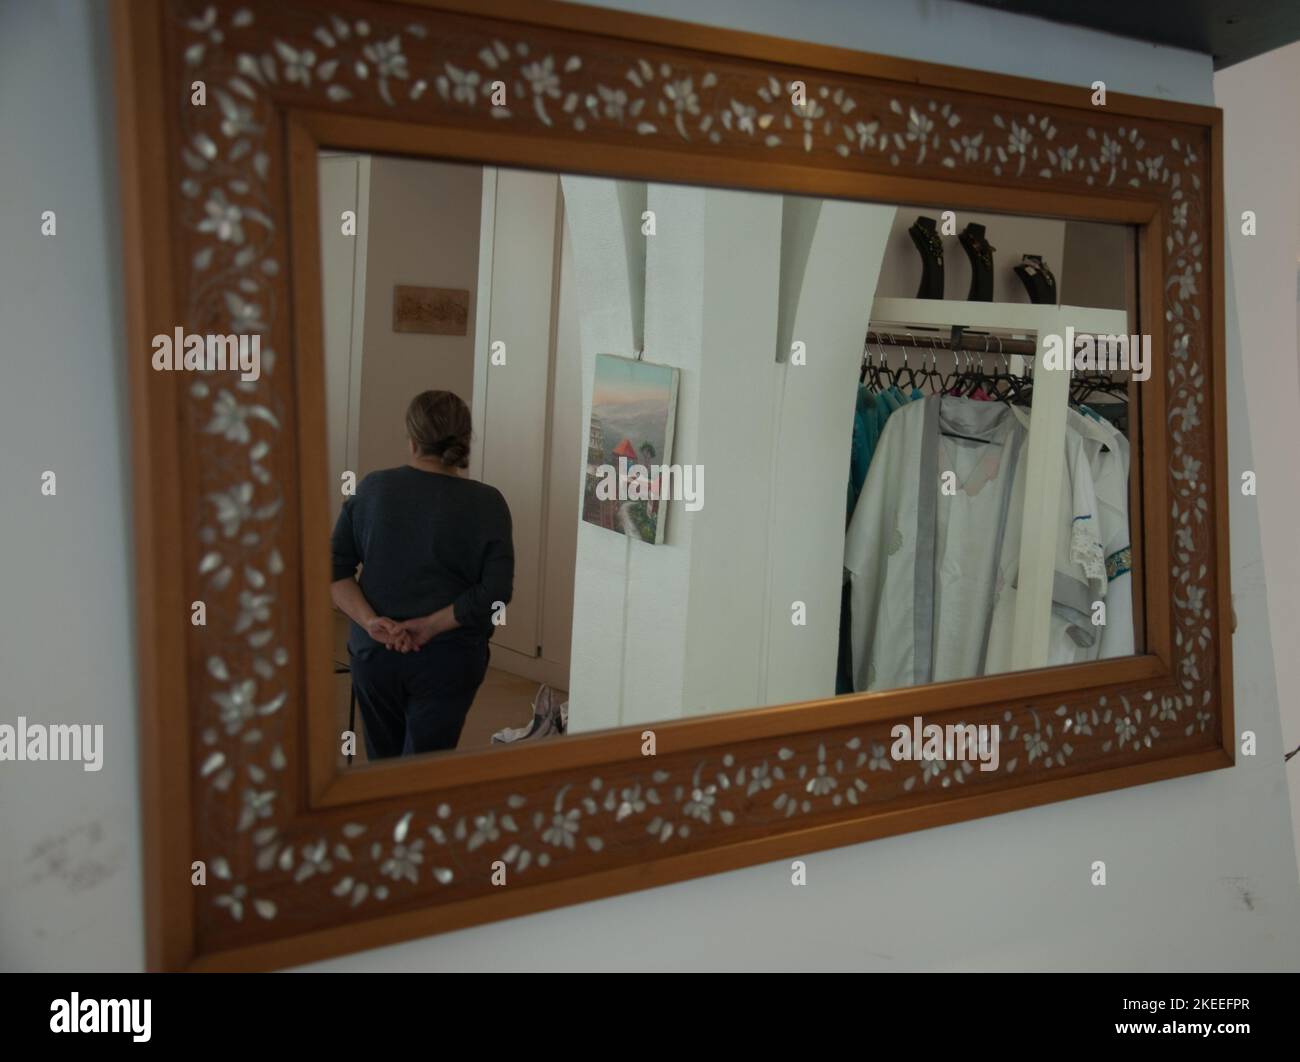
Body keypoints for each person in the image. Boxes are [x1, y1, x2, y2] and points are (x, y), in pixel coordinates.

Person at [330, 390, 514, 759]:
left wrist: (372, 623)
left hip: (375, 655)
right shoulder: (487, 503)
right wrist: (429, 626)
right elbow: (496, 593)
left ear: (411, 439)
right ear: (465, 440)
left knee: (383, 765)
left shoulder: (372, 489)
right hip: (448, 659)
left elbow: (334, 572)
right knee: (425, 769)